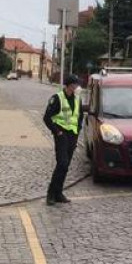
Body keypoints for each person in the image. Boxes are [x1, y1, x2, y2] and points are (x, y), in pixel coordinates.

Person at [43, 74, 84, 205]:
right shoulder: (57, 98)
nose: (77, 86)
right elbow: (47, 118)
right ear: (69, 85)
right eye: (75, 84)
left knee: (65, 166)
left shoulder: (77, 99)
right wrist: (57, 132)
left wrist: (78, 130)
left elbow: (79, 116)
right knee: (62, 163)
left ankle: (58, 193)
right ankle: (50, 194)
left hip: (72, 135)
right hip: (61, 135)